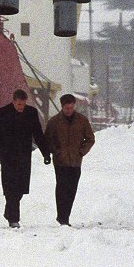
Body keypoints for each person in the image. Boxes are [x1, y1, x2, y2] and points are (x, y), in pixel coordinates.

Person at [0, 88, 50, 228]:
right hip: (8, 156)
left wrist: (46, 153)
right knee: (10, 188)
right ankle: (14, 219)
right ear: (13, 101)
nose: (21, 107)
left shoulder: (31, 113)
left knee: (20, 189)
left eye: (23, 104)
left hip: (24, 156)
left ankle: (9, 211)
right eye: (18, 104)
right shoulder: (2, 113)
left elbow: (38, 134)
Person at [44, 93, 95, 227]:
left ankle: (65, 216)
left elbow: (90, 138)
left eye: (71, 108)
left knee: (72, 189)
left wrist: (81, 152)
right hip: (60, 162)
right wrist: (56, 152)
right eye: (67, 108)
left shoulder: (82, 121)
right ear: (62, 107)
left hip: (75, 162)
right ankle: (62, 217)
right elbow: (48, 139)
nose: (69, 111)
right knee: (62, 188)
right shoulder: (54, 122)